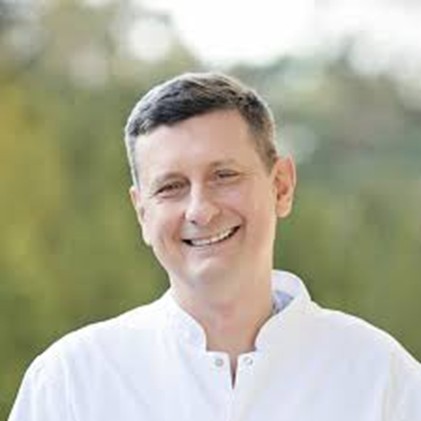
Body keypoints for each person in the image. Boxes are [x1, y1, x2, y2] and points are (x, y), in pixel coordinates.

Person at [8, 72, 421, 421]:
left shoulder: (381, 377)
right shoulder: (70, 383)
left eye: (224, 176)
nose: (200, 210)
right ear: (142, 213)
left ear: (281, 186)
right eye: (171, 187)